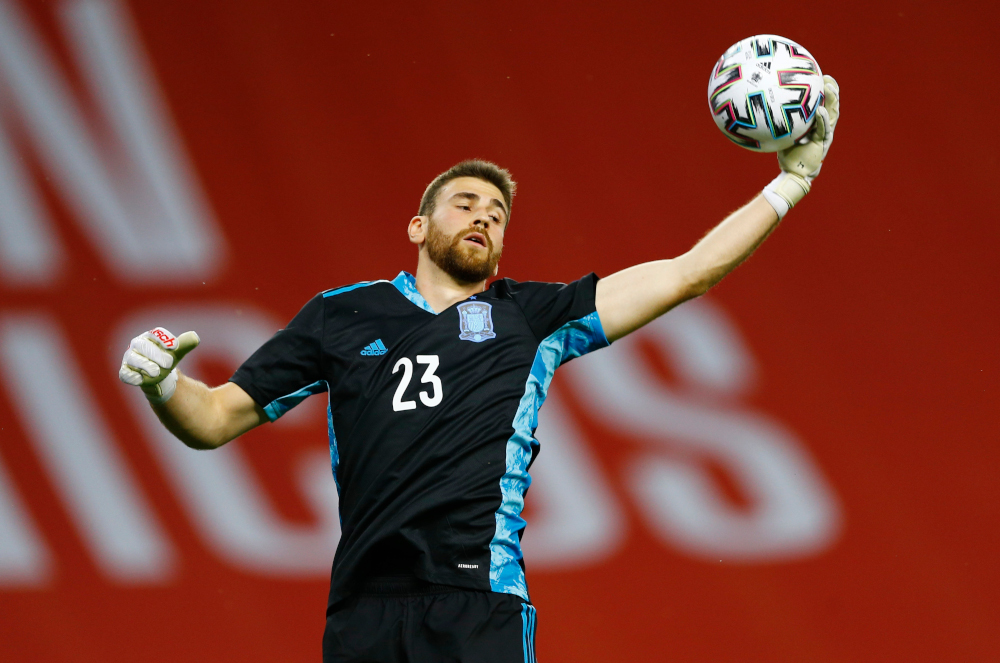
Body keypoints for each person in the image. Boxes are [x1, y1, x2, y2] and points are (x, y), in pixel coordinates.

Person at [118, 77, 839, 663]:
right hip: (365, 610)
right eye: (464, 204)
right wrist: (163, 384)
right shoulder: (342, 315)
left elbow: (686, 273)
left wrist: (791, 183)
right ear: (418, 226)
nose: (483, 217)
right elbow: (212, 419)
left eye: (496, 213)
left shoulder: (530, 316)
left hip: (477, 602)